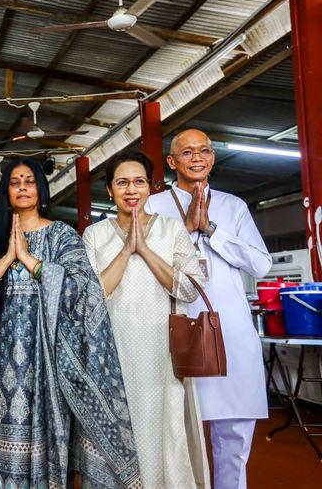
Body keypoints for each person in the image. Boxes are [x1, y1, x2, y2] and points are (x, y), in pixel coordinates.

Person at [0, 158, 141, 489]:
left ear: (41, 189)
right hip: (1, 358)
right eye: (14, 182)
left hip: (49, 359)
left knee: (47, 437)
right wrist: (8, 257)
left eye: (29, 181)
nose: (22, 187)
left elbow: (80, 289)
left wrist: (30, 260)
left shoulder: (61, 235)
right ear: (6, 192)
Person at [146, 129, 272, 489]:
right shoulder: (154, 207)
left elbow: (261, 266)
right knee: (178, 432)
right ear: (172, 162)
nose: (197, 157)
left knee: (234, 435)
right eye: (187, 152)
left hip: (229, 329)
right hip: (175, 329)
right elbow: (146, 265)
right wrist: (185, 231)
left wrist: (212, 230)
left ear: (213, 158)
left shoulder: (233, 207)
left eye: (204, 151)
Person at [83, 151, 210, 489]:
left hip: (163, 350)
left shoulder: (171, 230)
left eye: (139, 181)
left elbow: (190, 289)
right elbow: (89, 296)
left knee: (164, 426)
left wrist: (146, 250)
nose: (131, 190)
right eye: (122, 183)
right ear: (109, 190)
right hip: (112, 351)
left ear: (150, 187)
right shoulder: (94, 236)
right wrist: (126, 250)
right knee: (120, 429)